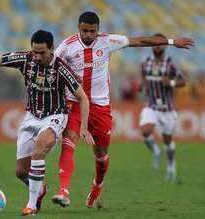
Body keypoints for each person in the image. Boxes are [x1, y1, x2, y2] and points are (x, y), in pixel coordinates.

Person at [52, 11, 194, 208]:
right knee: (69, 142)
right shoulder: (66, 46)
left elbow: (140, 41)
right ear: (78, 28)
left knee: (101, 158)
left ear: (97, 30)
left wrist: (171, 41)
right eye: (84, 30)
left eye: (92, 31)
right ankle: (63, 190)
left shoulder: (107, 41)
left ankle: (97, 186)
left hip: (100, 107)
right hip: (74, 103)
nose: (88, 35)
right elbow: (51, 66)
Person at [0, 30, 95, 216]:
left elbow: (83, 98)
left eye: (41, 53)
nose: (36, 56)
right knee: (21, 172)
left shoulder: (61, 69)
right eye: (34, 51)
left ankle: (31, 205)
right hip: (31, 117)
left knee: (38, 151)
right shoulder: (25, 59)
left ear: (51, 50)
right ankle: (40, 189)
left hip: (55, 116)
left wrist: (83, 127)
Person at [139, 33, 187, 182]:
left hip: (167, 109)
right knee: (145, 131)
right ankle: (156, 151)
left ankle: (171, 166)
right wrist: (142, 87)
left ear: (165, 46)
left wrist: (171, 83)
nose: (157, 46)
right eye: (155, 44)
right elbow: (144, 81)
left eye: (160, 44)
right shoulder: (145, 63)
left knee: (168, 140)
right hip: (151, 106)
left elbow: (183, 81)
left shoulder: (171, 64)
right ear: (152, 45)